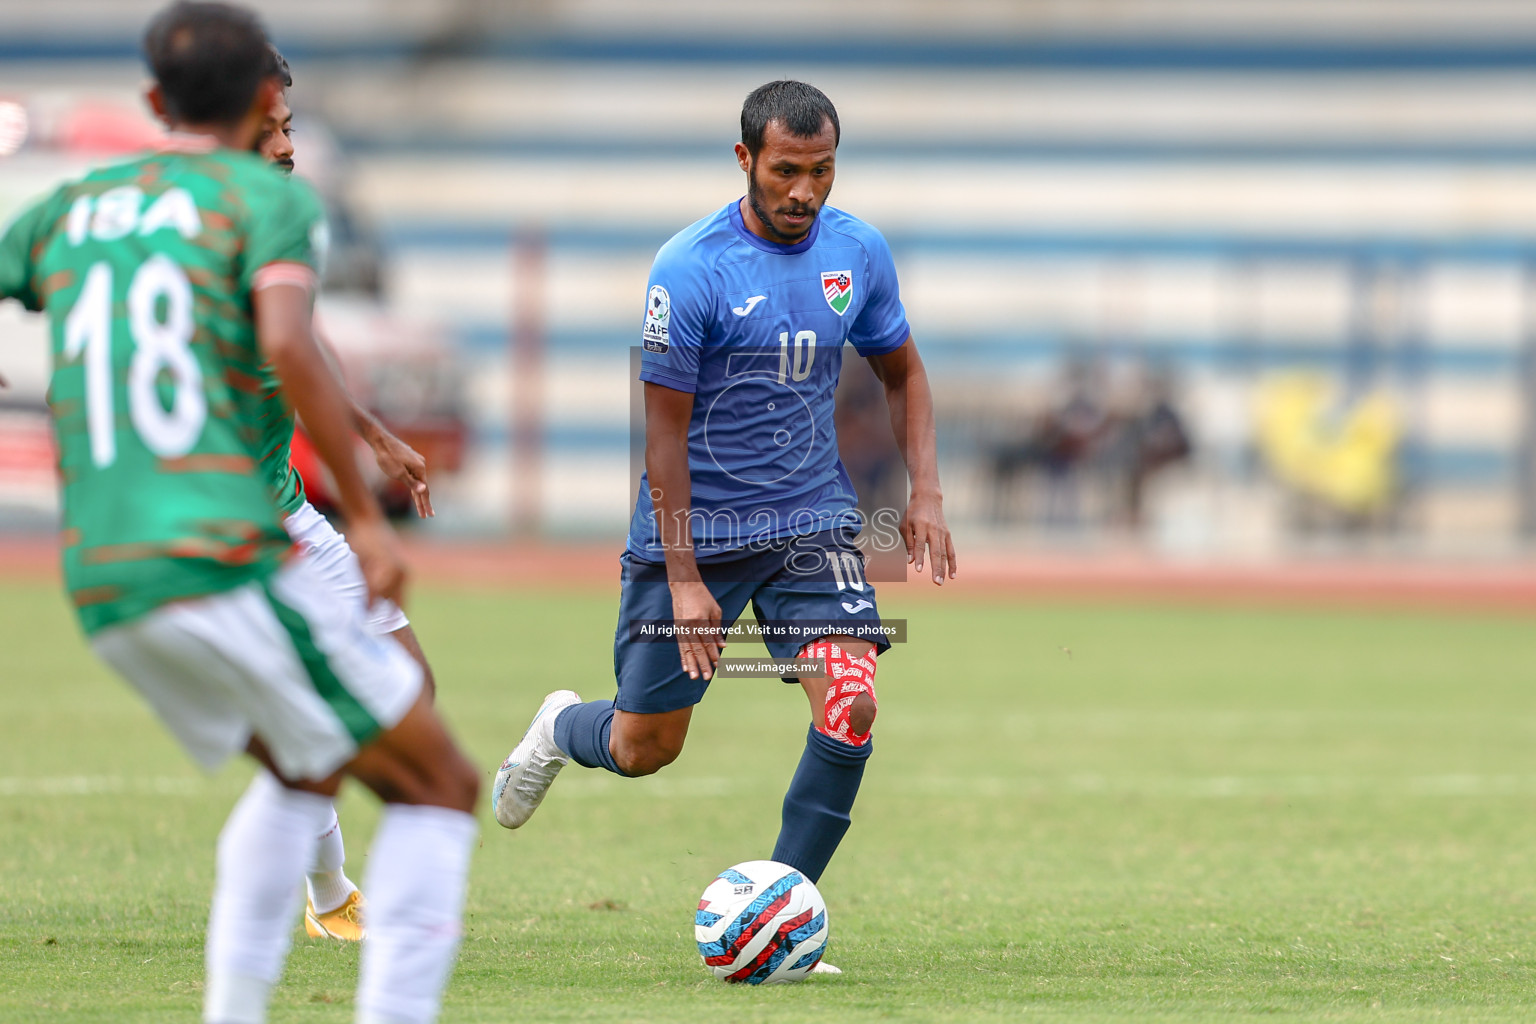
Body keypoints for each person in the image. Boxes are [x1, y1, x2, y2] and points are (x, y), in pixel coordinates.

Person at [0, 5, 479, 1022]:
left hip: (101, 567)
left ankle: (300, 930)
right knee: (436, 780)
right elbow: (289, 341)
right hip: (222, 542)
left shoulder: (74, 204)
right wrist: (371, 514)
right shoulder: (260, 202)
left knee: (306, 761)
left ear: (151, 103)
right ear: (266, 102)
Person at [492, 79, 955, 974]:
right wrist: (690, 579)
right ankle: (559, 728)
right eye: (787, 170)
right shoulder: (689, 269)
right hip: (692, 533)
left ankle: (779, 916)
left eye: (822, 171)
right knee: (644, 746)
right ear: (746, 160)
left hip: (809, 525)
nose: (805, 192)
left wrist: (925, 490)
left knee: (851, 701)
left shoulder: (858, 251)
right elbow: (661, 439)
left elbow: (904, 371)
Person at [249, 42, 440, 944]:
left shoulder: (277, 213)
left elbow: (297, 350)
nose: (288, 145)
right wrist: (365, 515)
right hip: (232, 520)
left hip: (285, 504)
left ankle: (331, 897)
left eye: (290, 124)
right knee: (319, 714)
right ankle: (334, 900)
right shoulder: (200, 229)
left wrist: (375, 437)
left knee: (407, 688)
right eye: (272, 126)